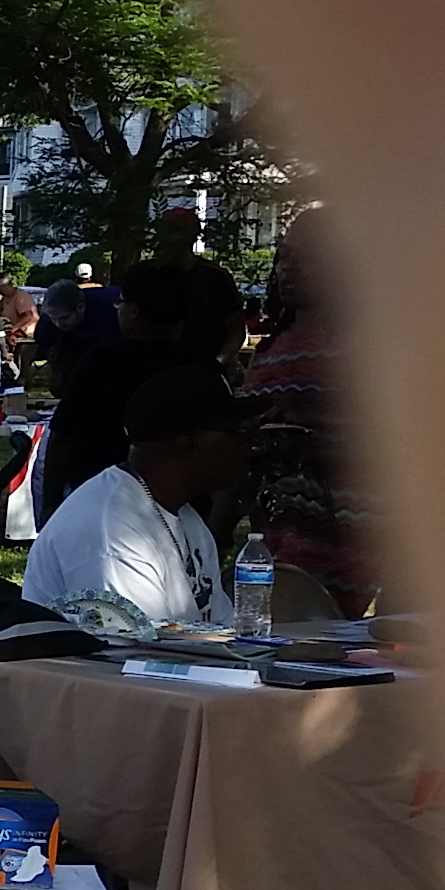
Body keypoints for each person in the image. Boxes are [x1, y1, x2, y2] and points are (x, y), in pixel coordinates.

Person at [22, 364, 256, 627]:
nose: (248, 446)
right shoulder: (111, 530)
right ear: (191, 441)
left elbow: (223, 629)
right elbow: (139, 653)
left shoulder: (184, 517)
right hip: (101, 667)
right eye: (239, 434)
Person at [241, 214, 377, 615]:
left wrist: (307, 446)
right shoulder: (271, 349)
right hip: (274, 522)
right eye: (284, 258)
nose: (289, 269)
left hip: (348, 524)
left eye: (307, 259)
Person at [38, 258, 224, 520]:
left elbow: (64, 437)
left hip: (105, 500)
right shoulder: (203, 367)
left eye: (121, 303)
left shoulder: (101, 362)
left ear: (134, 310)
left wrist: (50, 504)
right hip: (185, 505)